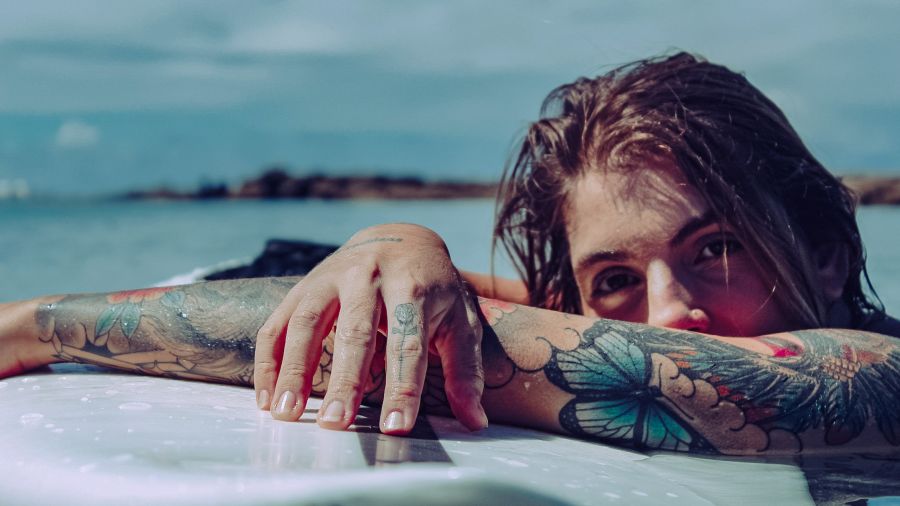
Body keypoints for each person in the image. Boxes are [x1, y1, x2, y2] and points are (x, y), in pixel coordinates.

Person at [2, 53, 899, 456]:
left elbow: (648, 365)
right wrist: (397, 242)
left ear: (825, 252)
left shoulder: (878, 380)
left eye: (719, 247)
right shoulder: (598, 309)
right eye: (617, 279)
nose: (671, 312)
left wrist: (36, 324)